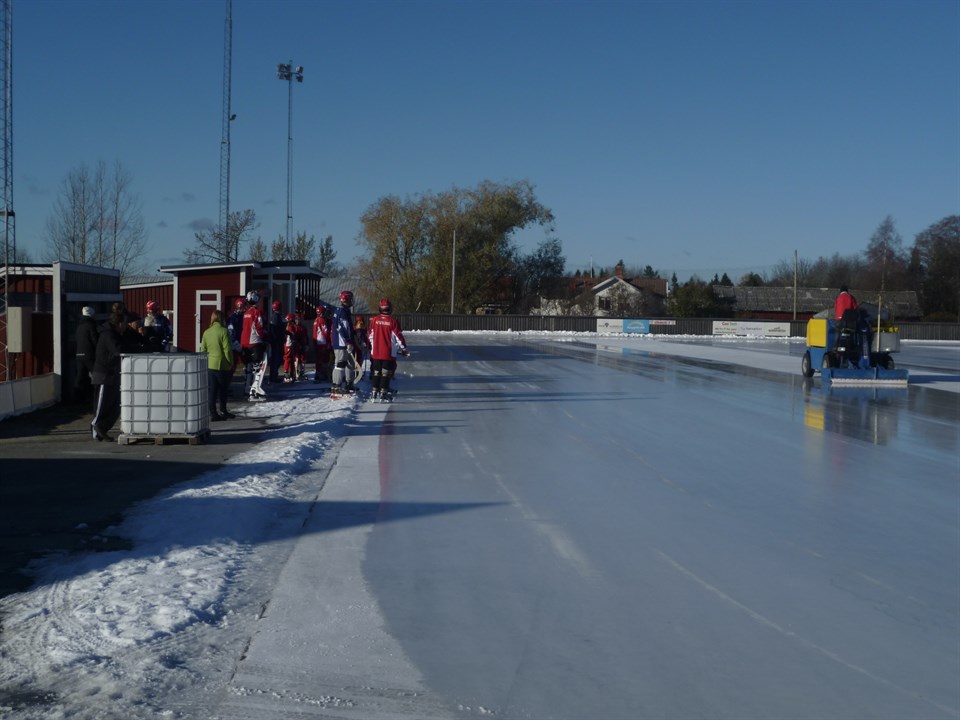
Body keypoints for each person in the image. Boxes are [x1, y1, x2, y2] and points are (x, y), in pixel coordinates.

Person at [90, 311, 125, 441]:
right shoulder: (108, 335)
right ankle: (97, 428)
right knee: (102, 405)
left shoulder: (113, 334)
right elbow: (118, 350)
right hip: (104, 375)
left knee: (115, 405)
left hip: (110, 375)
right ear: (119, 323)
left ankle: (101, 428)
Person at [368, 297, 409, 402]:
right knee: (386, 373)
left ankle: (374, 392)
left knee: (376, 372)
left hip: (376, 352)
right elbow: (398, 336)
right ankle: (383, 393)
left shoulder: (374, 320)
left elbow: (370, 335)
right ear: (390, 308)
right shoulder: (393, 321)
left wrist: (372, 347)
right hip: (388, 352)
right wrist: (404, 349)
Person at [199, 309, 235, 421]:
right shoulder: (224, 331)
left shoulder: (206, 332)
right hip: (222, 364)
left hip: (210, 365)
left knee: (212, 391)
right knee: (223, 389)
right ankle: (223, 410)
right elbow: (227, 349)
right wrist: (230, 362)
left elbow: (203, 349)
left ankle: (213, 413)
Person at [331, 290, 361, 395]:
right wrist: (348, 341)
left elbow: (347, 327)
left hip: (345, 342)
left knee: (350, 363)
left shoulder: (342, 310)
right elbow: (343, 328)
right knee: (340, 364)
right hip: (342, 343)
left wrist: (353, 333)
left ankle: (349, 383)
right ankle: (336, 385)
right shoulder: (342, 311)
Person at [241, 291, 267, 400]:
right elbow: (259, 327)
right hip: (255, 342)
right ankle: (255, 389)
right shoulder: (257, 312)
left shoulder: (246, 313)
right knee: (259, 367)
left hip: (244, 343)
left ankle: (247, 388)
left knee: (249, 368)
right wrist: (265, 336)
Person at [74, 306, 99, 405]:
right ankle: (96, 396)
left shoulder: (79, 326)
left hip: (79, 355)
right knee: (96, 375)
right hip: (89, 356)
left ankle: (78, 399)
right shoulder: (91, 325)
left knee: (80, 377)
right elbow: (95, 340)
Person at [312, 305, 333, 385]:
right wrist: (328, 341)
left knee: (318, 359)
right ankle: (323, 374)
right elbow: (325, 332)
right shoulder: (322, 320)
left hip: (317, 342)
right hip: (322, 342)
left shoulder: (316, 320)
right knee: (325, 359)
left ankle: (318, 373)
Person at [267, 299, 285, 384]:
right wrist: (277, 340)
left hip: (276, 341)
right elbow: (275, 330)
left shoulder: (275, 316)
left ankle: (274, 376)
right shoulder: (276, 317)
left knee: (276, 359)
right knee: (276, 359)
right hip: (277, 341)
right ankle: (273, 376)